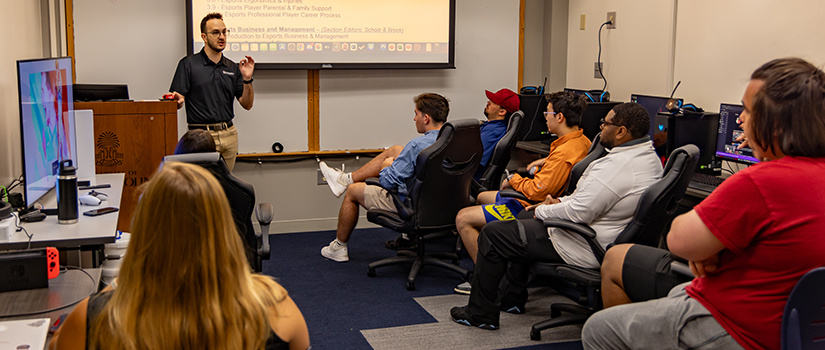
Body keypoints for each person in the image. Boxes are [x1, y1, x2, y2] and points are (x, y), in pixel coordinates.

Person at [582, 57, 825, 350]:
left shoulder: (762, 182)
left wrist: (709, 247)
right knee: (668, 289)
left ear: (774, 124)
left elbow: (679, 241)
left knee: (599, 329)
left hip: (739, 328)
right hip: (798, 332)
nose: (740, 120)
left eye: (748, 112)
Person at [48, 162, 310, 349]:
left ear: (143, 232)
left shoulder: (94, 318)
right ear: (224, 228)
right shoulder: (276, 306)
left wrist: (118, 288)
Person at [450, 102, 662, 330]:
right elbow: (588, 199)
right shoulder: (648, 157)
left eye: (606, 123)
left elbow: (579, 211)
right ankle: (511, 299)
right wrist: (558, 202)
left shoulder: (619, 165)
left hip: (587, 242)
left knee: (494, 234)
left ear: (621, 131)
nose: (601, 128)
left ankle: (480, 314)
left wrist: (543, 208)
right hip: (606, 235)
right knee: (521, 219)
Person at [453, 91, 591, 294]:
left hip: (529, 206)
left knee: (463, 218)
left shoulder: (564, 152)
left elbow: (537, 192)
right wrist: (545, 161)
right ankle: (499, 259)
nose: (545, 117)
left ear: (559, 117)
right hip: (541, 198)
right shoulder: (580, 141)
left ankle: (485, 281)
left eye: (548, 113)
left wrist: (514, 180)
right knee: (482, 196)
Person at [319, 93, 449, 262]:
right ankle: (346, 179)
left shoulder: (417, 145)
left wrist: (386, 166)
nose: (414, 118)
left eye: (416, 114)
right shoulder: (457, 140)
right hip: (447, 205)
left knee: (352, 191)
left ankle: (339, 247)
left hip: (415, 206)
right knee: (396, 150)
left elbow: (388, 182)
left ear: (426, 118)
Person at [168, 12, 255, 171]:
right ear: (204, 36)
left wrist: (247, 79)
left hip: (229, 135)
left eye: (224, 32)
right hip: (201, 137)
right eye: (215, 32)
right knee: (203, 188)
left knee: (225, 188)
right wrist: (176, 100)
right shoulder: (188, 64)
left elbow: (247, 104)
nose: (221, 36)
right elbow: (178, 98)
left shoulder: (232, 67)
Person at [474, 88, 521, 179]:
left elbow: (472, 162)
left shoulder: (492, 132)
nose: (488, 102)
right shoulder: (494, 127)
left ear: (502, 112)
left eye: (493, 102)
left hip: (466, 181)